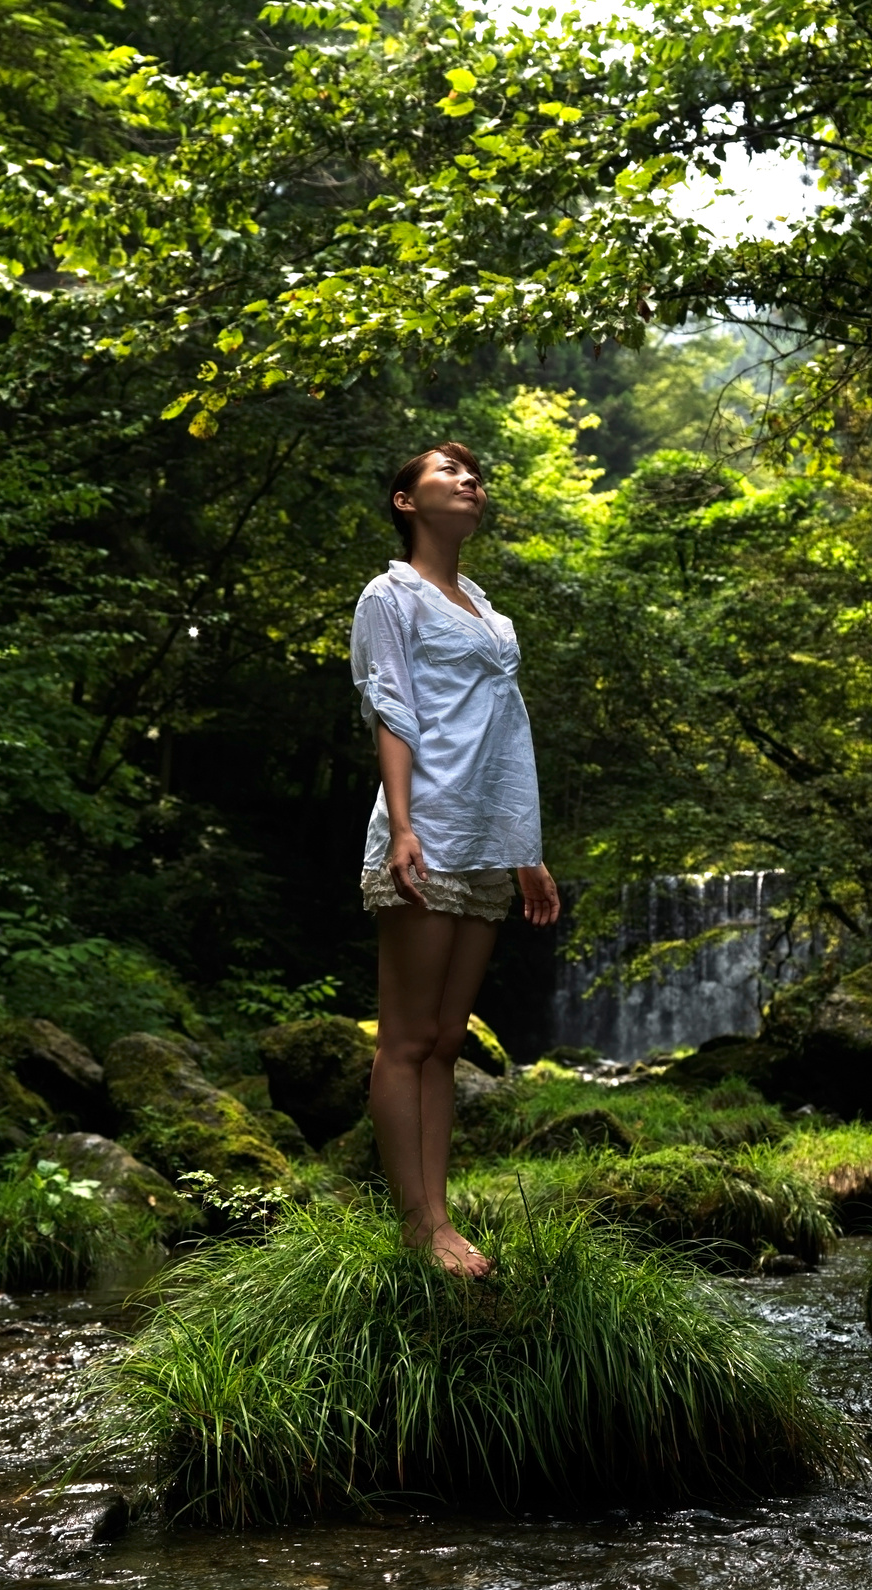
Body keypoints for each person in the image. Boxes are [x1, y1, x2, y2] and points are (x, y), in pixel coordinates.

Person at [351, 442, 560, 1277]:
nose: (470, 482)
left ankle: (440, 1217)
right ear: (405, 501)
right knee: (404, 1039)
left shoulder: (484, 607)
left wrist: (525, 852)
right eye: (448, 473)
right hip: (428, 827)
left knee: (444, 1041)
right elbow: (390, 710)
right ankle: (419, 1228)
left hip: (485, 844)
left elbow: (507, 736)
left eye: (475, 477)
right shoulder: (389, 594)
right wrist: (403, 827)